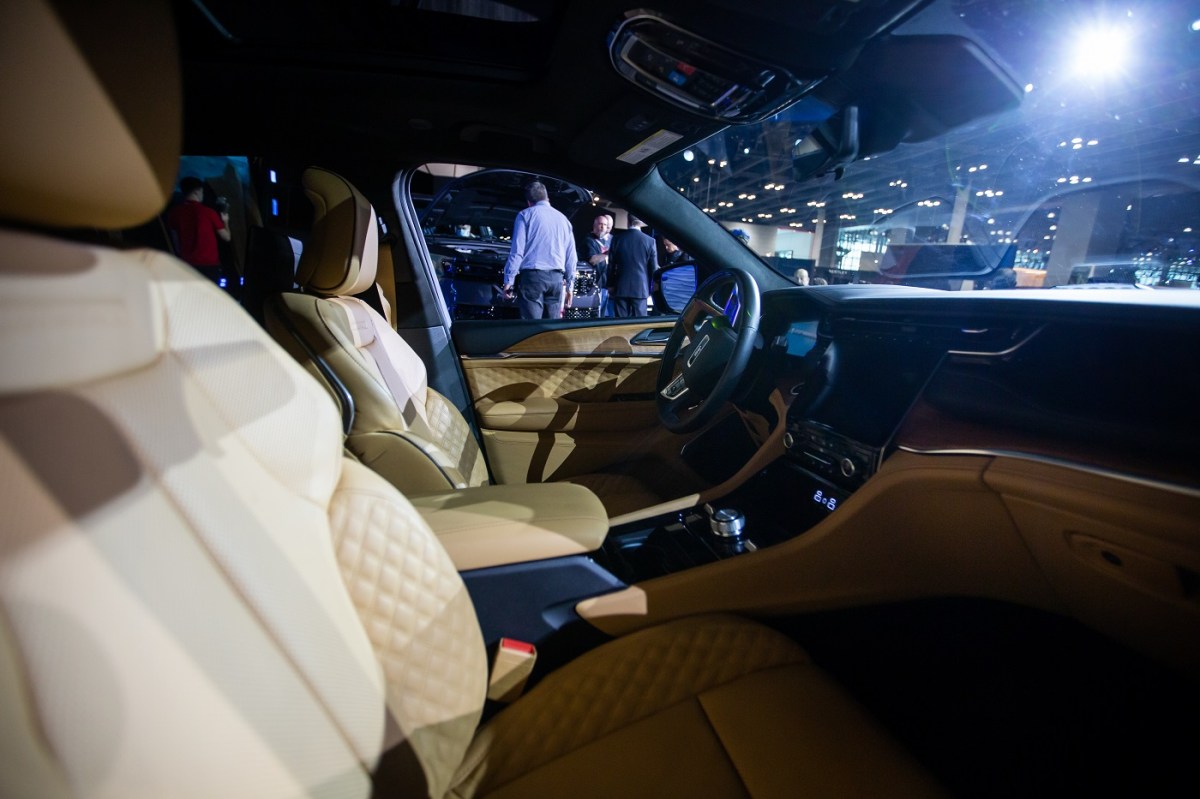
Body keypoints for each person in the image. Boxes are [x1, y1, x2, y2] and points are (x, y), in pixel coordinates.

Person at [502, 180, 577, 319]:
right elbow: (571, 257)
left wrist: (509, 281)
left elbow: (517, 252)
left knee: (532, 329)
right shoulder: (564, 220)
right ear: (547, 197)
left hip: (533, 278)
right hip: (556, 280)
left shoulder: (525, 215)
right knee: (550, 330)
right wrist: (570, 287)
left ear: (529, 202)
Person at [166, 176, 230, 284]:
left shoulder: (174, 214)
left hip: (187, 265)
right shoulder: (209, 212)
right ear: (197, 192)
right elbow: (227, 237)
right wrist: (225, 221)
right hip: (210, 266)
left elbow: (175, 241)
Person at [608, 215, 658, 318]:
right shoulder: (650, 241)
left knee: (620, 323)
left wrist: (610, 285)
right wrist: (652, 288)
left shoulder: (617, 239)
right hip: (641, 288)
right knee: (639, 323)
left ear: (628, 221)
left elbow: (611, 265)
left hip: (620, 286)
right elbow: (653, 269)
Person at [583, 212, 613, 316]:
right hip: (594, 286)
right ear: (594, 225)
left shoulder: (610, 241)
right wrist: (608, 253)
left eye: (605, 225)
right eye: (600, 224)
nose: (602, 227)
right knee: (596, 316)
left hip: (607, 286)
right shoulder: (589, 240)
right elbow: (592, 260)